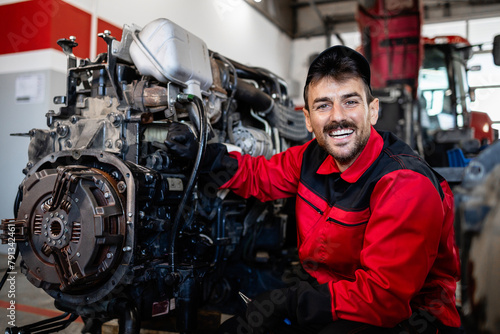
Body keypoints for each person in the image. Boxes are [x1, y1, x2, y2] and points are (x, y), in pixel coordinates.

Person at [165, 45, 462, 333]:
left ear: (372, 110)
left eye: (350, 101)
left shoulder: (405, 183)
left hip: (408, 317)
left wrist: (291, 302)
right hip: (331, 299)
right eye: (323, 105)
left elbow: (384, 297)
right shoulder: (310, 157)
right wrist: (205, 156)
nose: (337, 117)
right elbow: (259, 176)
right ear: (307, 119)